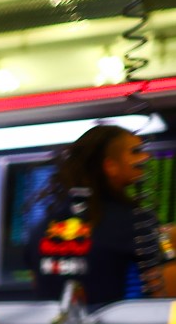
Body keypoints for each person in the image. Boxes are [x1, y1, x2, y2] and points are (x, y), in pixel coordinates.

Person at [31, 123, 176, 308]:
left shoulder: (42, 227)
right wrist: (169, 245)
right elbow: (168, 296)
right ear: (111, 166)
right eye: (135, 152)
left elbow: (39, 287)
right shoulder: (136, 222)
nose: (145, 158)